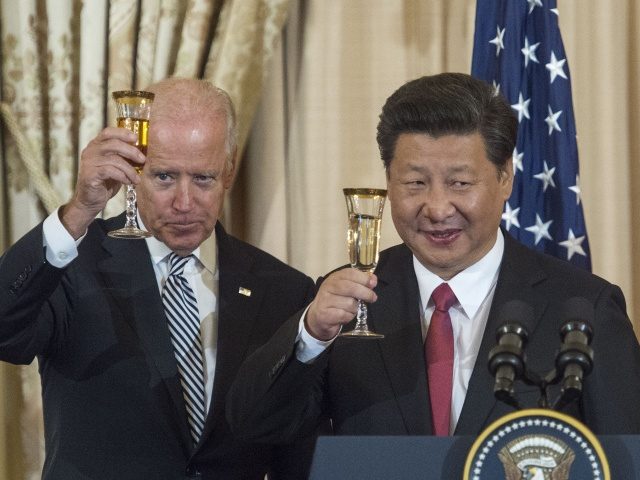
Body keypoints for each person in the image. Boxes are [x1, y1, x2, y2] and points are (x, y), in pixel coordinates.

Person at [226, 72, 640, 447]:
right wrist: (310, 335)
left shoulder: (585, 308)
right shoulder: (345, 303)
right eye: (415, 183)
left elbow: (625, 459)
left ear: (505, 178)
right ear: (389, 181)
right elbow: (255, 432)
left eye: (460, 183)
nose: (438, 208)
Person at [0, 78, 322, 479]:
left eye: (203, 178)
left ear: (229, 170)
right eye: (164, 177)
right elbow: (5, 333)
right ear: (133, 169)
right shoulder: (73, 263)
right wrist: (79, 212)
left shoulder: (285, 290)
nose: (184, 203)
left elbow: (292, 441)